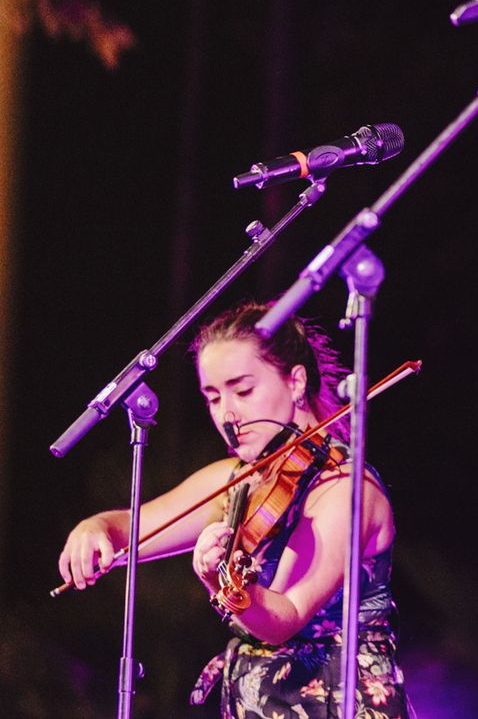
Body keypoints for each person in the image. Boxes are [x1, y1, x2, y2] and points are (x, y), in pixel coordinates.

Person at [56, 302, 409, 717]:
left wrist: (218, 581)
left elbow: (285, 616)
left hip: (337, 705)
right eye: (212, 397)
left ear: (296, 382)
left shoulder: (346, 487)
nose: (227, 415)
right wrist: (92, 529)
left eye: (242, 391)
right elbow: (129, 529)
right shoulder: (239, 479)